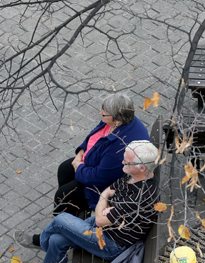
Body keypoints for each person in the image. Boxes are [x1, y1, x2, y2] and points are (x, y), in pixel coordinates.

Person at [18, 140, 160, 263]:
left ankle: (42, 242)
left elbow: (100, 219)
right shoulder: (133, 175)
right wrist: (105, 200)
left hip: (110, 244)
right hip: (106, 229)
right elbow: (108, 191)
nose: (122, 163)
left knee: (62, 219)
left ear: (142, 167)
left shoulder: (140, 198)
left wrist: (104, 201)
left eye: (126, 162)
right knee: (57, 240)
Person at [15, 93, 150, 248]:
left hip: (106, 187)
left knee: (64, 195)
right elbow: (93, 136)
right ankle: (72, 214)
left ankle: (50, 239)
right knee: (65, 169)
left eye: (104, 113)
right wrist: (81, 151)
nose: (101, 113)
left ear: (117, 118)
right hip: (94, 164)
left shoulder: (120, 146)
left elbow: (98, 178)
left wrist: (79, 166)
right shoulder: (117, 121)